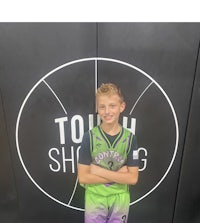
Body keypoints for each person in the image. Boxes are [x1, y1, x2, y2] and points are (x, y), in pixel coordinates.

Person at [78, 83, 139, 223]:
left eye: (112, 105)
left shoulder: (130, 138)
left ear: (121, 107)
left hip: (120, 198)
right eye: (102, 106)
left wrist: (97, 170)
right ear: (97, 109)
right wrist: (119, 175)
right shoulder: (89, 137)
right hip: (95, 197)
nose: (107, 111)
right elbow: (83, 177)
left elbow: (133, 179)